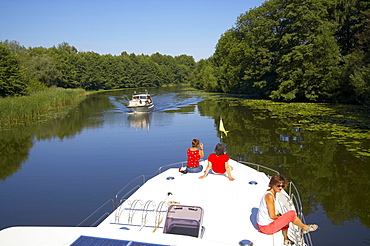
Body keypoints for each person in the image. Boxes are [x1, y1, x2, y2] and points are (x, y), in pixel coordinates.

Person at [257, 174, 318, 245]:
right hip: (266, 227)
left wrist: (282, 217)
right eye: (278, 186)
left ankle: (286, 239)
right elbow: (272, 216)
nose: (280, 188)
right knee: (291, 214)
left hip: (264, 225)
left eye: (282, 186)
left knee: (286, 219)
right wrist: (282, 218)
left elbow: (272, 209)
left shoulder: (273, 193)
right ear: (272, 184)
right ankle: (305, 227)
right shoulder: (269, 196)